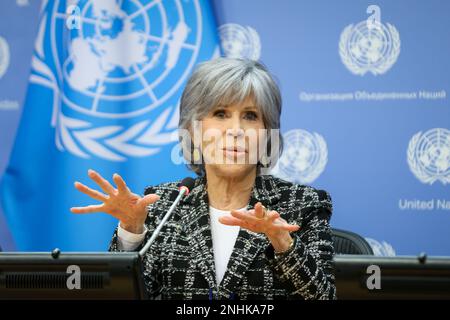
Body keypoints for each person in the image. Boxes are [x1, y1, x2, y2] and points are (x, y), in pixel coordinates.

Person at [71, 58, 336, 300]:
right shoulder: (163, 205)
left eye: (251, 116)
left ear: (268, 135)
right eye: (220, 113)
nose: (235, 130)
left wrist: (283, 244)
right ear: (193, 130)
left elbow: (324, 298)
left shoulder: (303, 206)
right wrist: (131, 232)